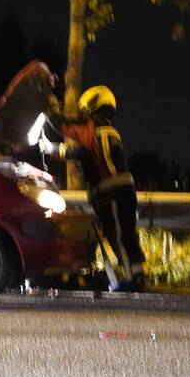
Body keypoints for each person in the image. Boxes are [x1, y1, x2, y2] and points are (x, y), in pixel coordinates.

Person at [42, 84, 146, 292]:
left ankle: (135, 281)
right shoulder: (106, 130)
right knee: (124, 235)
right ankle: (135, 276)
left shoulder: (94, 129)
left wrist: (50, 101)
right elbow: (81, 153)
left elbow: (62, 127)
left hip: (112, 194)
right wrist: (55, 149)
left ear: (91, 107)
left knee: (119, 235)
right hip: (121, 192)